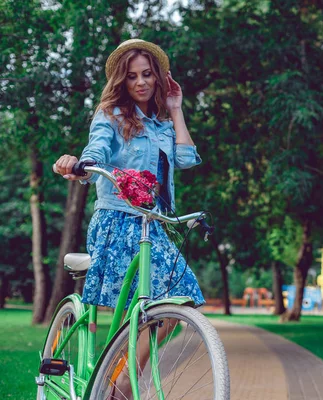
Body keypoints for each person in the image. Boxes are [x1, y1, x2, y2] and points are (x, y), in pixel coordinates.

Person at [52, 39, 205, 399]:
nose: (141, 82)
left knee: (183, 295)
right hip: (118, 221)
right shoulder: (111, 116)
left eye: (148, 74)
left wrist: (176, 108)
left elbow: (186, 159)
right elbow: (97, 149)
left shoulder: (163, 124)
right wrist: (81, 165)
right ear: (122, 80)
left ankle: (119, 379)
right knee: (134, 308)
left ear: (158, 78)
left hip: (153, 225)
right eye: (133, 76)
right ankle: (114, 380)